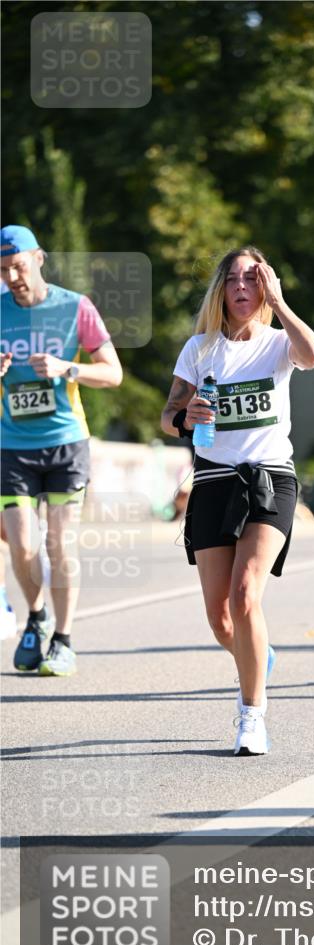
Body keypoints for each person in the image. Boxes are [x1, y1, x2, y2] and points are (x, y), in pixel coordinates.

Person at [160, 246, 314, 756]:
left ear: (265, 288)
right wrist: (188, 416)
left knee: (246, 593)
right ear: (220, 289)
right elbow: (167, 417)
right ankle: (257, 655)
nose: (241, 287)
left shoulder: (279, 345)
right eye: (233, 279)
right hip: (212, 481)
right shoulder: (199, 349)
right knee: (221, 618)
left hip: (270, 479)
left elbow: (313, 354)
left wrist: (282, 300)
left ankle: (251, 716)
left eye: (252, 279)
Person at [0, 225, 123, 676]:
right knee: (20, 543)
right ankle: (36, 617)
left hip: (66, 443)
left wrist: (67, 367)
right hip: (11, 445)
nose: (12, 276)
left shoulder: (75, 307)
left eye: (18, 265)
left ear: (39, 258)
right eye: (3, 269)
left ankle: (64, 640)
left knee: (58, 543)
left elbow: (112, 374)